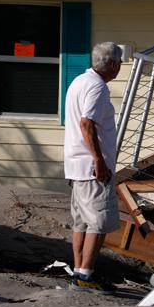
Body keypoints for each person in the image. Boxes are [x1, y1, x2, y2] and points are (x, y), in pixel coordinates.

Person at [63, 41, 123, 291]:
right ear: (110, 64)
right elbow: (87, 123)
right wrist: (99, 160)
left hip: (76, 164)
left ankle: (79, 272)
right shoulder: (97, 87)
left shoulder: (79, 81)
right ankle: (85, 276)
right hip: (91, 167)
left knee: (81, 222)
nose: (119, 68)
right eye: (118, 63)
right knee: (98, 222)